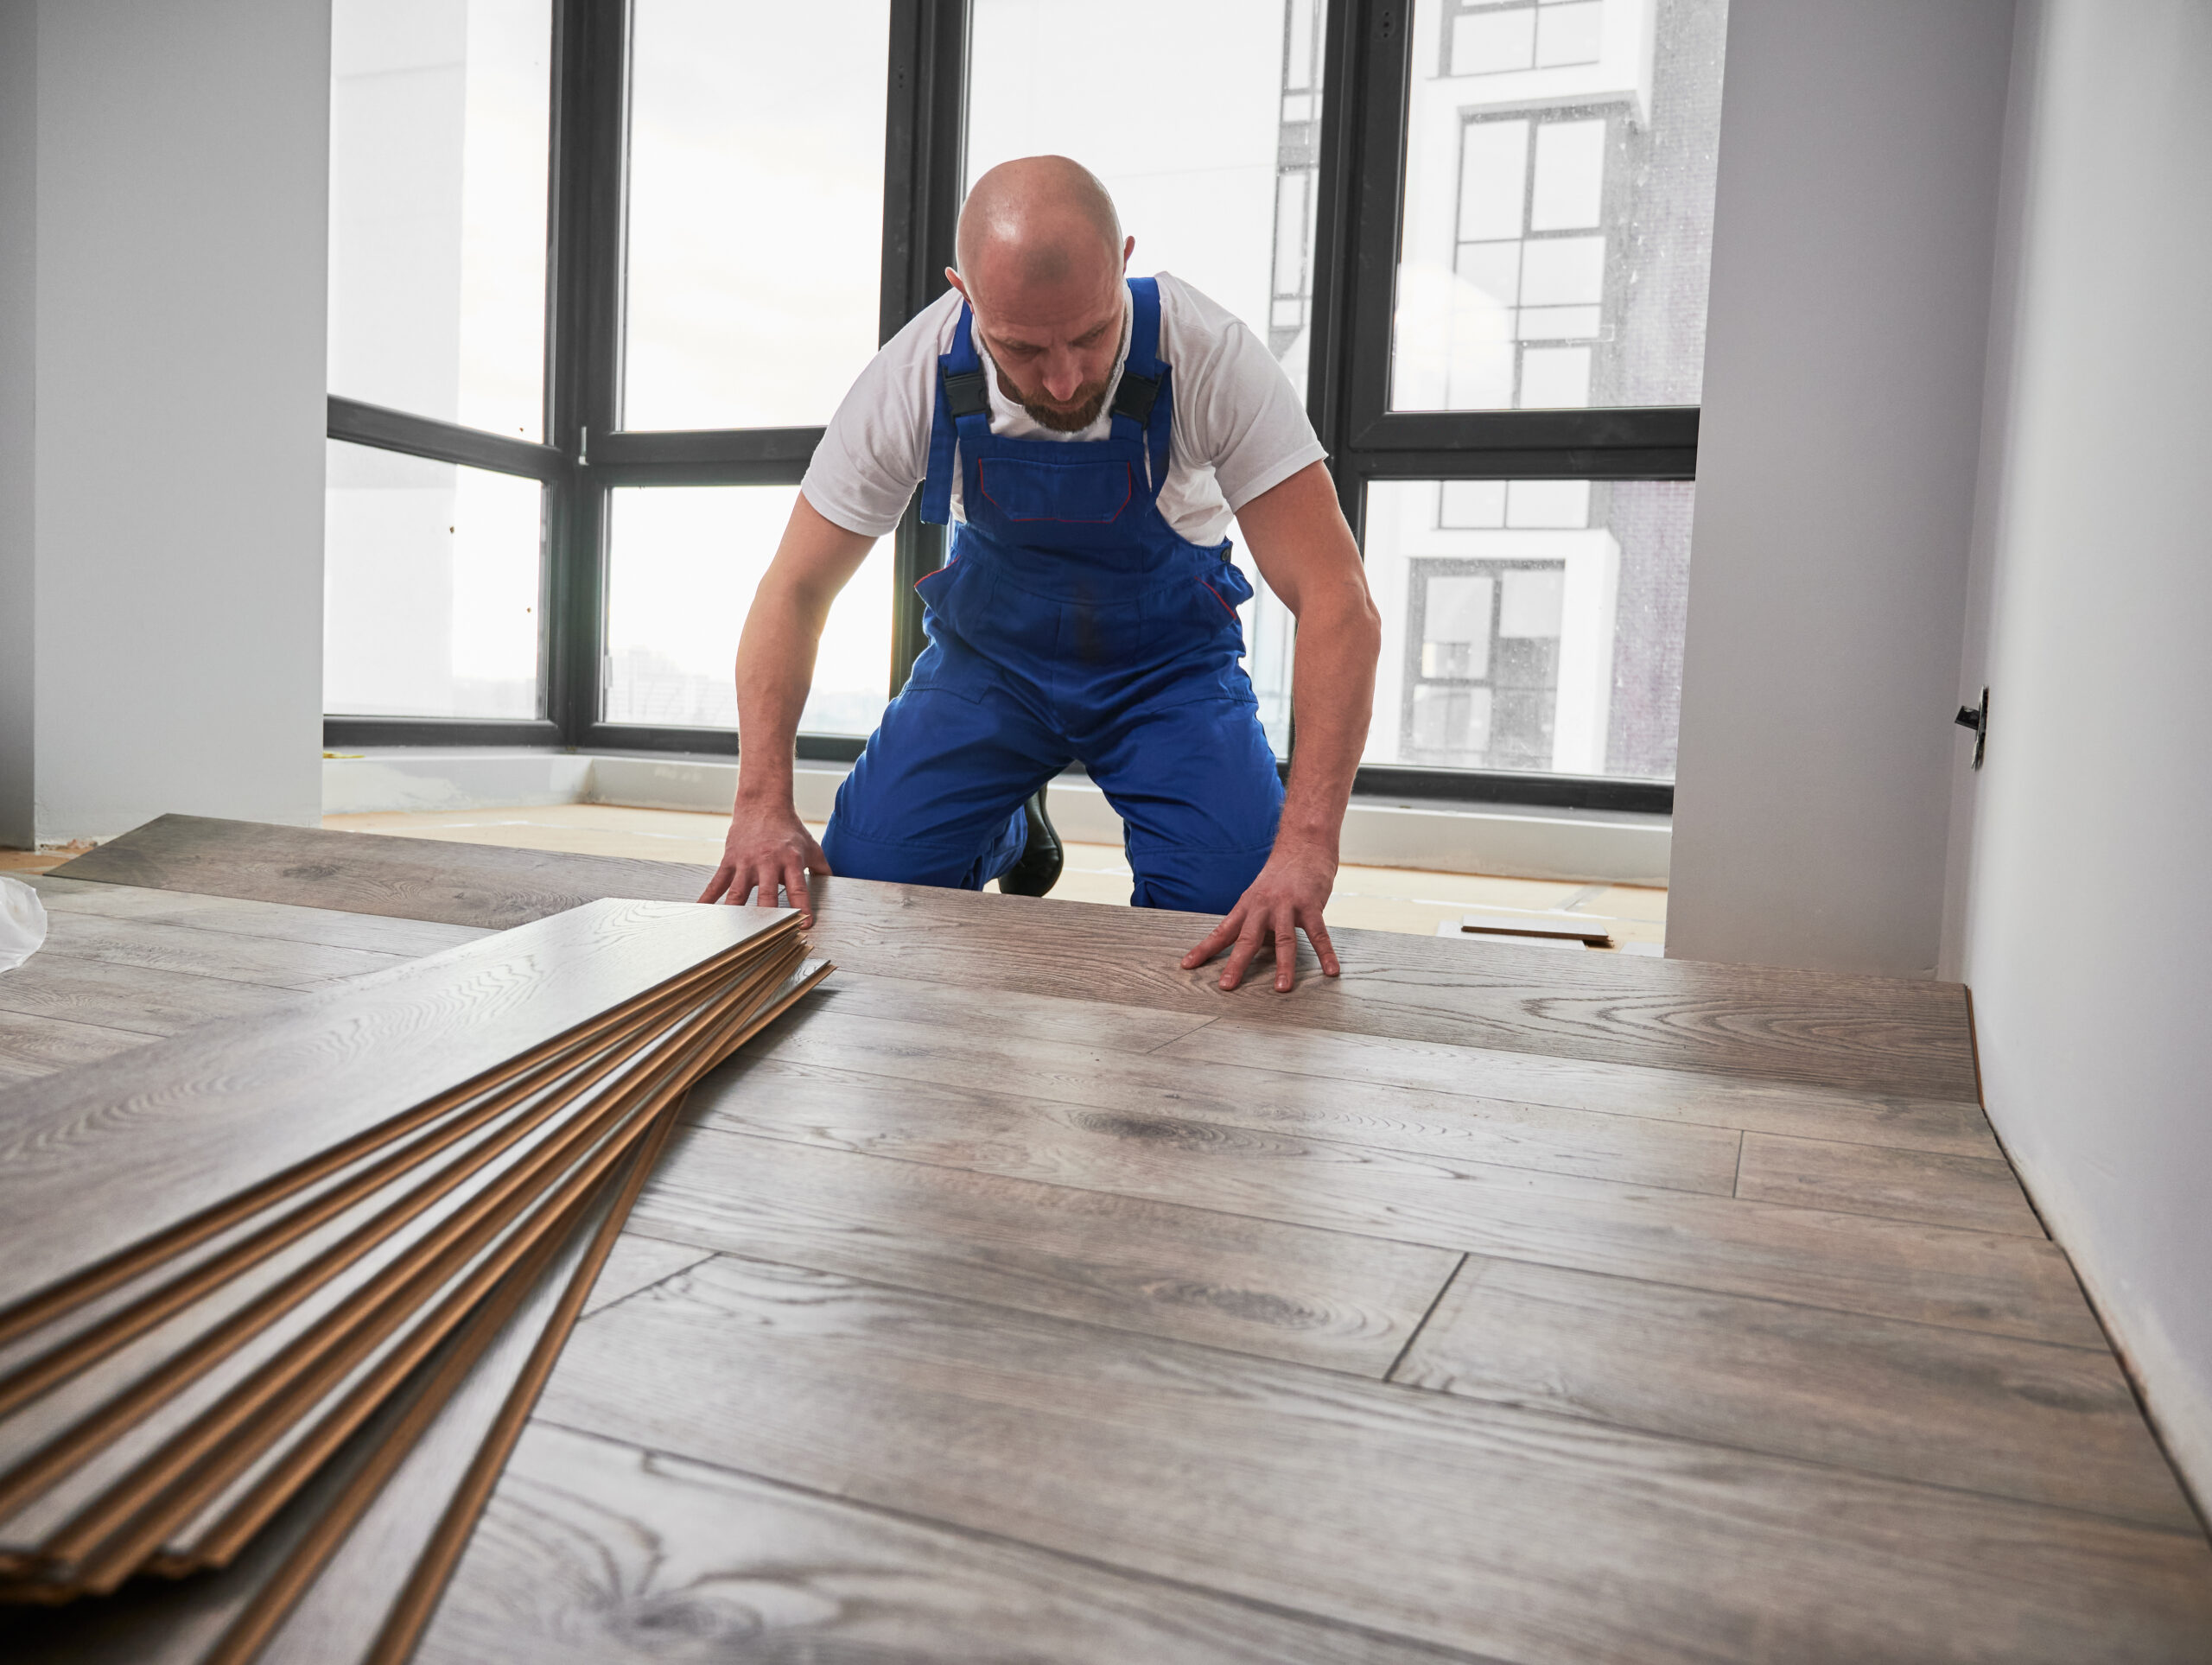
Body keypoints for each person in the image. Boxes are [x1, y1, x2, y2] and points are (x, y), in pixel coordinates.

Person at [698, 156, 1380, 993]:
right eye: (1021, 349)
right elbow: (793, 588)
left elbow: (1338, 601)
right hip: (993, 665)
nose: (1063, 379)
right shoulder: (912, 375)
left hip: (1165, 669)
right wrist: (760, 801)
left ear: (1122, 260)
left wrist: (1307, 845)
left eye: (1092, 336)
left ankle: (1076, 816)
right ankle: (1008, 823)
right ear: (963, 292)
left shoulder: (1209, 356)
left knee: (1235, 911)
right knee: (869, 880)